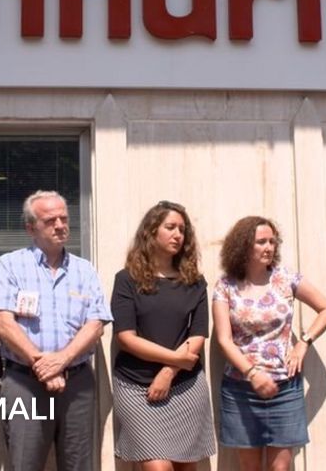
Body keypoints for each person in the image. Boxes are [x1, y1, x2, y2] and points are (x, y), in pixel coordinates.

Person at [0, 190, 112, 471]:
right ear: (30, 228)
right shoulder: (10, 265)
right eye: (50, 220)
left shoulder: (84, 270)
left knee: (79, 465)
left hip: (77, 383)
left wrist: (61, 360)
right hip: (25, 382)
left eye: (63, 218)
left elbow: (95, 324)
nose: (60, 225)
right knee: (24, 463)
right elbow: (3, 323)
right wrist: (42, 364)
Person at [212, 216, 326, 471]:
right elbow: (224, 340)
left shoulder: (286, 279)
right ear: (243, 245)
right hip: (241, 387)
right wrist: (252, 373)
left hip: (285, 387)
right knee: (250, 468)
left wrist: (304, 343)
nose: (268, 247)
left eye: (272, 241)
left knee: (280, 468)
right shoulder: (226, 286)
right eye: (261, 242)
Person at [110, 201, 217, 470]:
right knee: (158, 467)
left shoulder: (195, 282)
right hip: (136, 386)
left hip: (185, 385)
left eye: (182, 229)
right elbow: (126, 338)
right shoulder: (126, 279)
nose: (178, 235)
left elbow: (198, 335)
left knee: (185, 467)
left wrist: (169, 371)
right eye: (170, 227)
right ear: (151, 231)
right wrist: (176, 359)